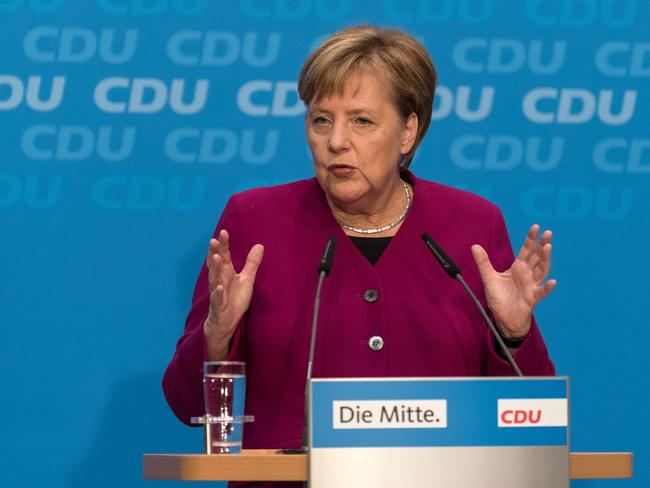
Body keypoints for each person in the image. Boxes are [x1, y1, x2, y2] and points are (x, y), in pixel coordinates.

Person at [163, 25, 556, 486]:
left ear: (408, 130)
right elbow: (187, 404)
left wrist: (513, 334)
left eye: (362, 121)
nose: (336, 142)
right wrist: (217, 334)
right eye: (321, 120)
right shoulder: (255, 221)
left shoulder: (471, 226)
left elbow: (532, 423)